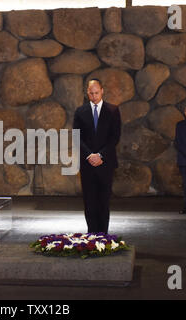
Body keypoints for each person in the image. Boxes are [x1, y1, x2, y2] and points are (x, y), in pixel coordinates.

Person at [73, 79, 121, 234]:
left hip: (105, 163)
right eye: (91, 93)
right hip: (87, 164)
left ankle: (103, 235)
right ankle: (92, 235)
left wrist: (100, 155)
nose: (94, 96)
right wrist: (89, 155)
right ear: (87, 92)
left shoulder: (113, 110)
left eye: (96, 93)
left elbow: (115, 137)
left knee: (103, 201)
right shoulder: (80, 112)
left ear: (102, 91)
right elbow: (76, 137)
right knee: (89, 201)